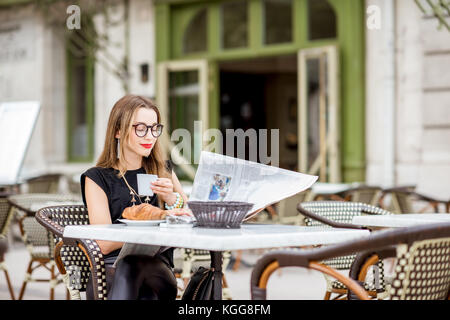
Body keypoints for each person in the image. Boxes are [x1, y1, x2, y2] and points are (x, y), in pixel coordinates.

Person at [80, 94, 189, 300]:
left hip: (158, 270)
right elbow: (102, 242)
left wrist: (171, 199)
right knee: (144, 292)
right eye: (140, 128)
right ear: (118, 131)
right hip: (109, 273)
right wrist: (149, 231)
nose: (150, 136)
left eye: (154, 128)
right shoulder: (97, 178)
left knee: (133, 267)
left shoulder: (162, 170)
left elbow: (191, 218)